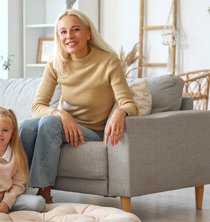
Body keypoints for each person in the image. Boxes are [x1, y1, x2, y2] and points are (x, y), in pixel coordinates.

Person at [19, 9, 138, 204]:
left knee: (49, 123)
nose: (69, 36)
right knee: (25, 126)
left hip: (93, 132)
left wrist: (120, 112)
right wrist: (60, 113)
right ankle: (16, 188)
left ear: (88, 33)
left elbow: (129, 103)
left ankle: (44, 194)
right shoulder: (56, 62)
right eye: (63, 32)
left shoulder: (108, 61)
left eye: (75, 30)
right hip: (62, 125)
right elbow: (37, 106)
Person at [0, 107, 46, 215]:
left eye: (5, 130)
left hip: (9, 199)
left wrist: (6, 203)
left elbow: (18, 185)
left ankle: (2, 207)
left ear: (12, 133)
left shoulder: (16, 155)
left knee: (39, 203)